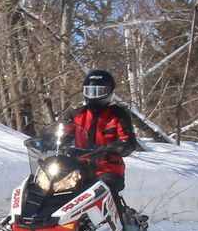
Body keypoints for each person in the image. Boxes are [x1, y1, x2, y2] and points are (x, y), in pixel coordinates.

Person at [58, 69, 139, 208]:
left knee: (106, 190)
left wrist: (115, 147)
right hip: (77, 166)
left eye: (99, 91)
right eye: (90, 91)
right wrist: (49, 142)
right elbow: (62, 133)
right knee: (52, 186)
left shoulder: (118, 114)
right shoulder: (76, 113)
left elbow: (128, 140)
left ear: (110, 92)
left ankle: (122, 225)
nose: (94, 96)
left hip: (107, 167)